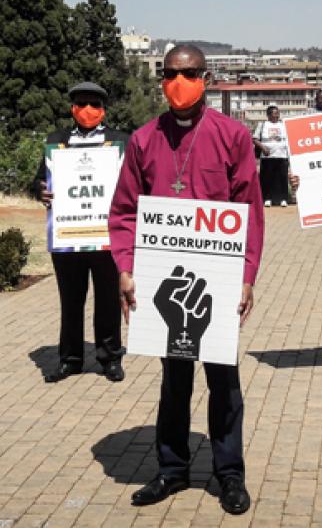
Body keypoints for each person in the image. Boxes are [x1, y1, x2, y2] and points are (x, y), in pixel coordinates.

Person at [109, 44, 264, 515]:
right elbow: (124, 211)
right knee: (174, 382)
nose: (180, 82)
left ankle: (229, 473)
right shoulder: (142, 139)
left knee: (224, 381)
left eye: (190, 73)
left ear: (206, 77)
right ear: (162, 79)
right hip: (164, 284)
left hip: (216, 281)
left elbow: (250, 210)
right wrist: (125, 267)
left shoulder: (232, 136)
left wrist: (246, 276)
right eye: (172, 73)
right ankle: (172, 469)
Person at [31, 81, 127, 383]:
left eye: (94, 105)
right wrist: (40, 191)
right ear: (73, 108)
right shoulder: (56, 142)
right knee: (71, 300)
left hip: (105, 236)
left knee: (109, 299)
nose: (88, 110)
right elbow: (38, 181)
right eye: (81, 104)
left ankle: (109, 357)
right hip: (68, 235)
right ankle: (70, 359)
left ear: (104, 109)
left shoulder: (120, 141)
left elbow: (135, 181)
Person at [252, 105, 289, 207]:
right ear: (268, 115)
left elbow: (288, 139)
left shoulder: (283, 125)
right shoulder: (263, 125)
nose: (277, 116)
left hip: (282, 155)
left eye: (278, 113)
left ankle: (283, 199)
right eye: (274, 113)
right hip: (267, 156)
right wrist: (263, 148)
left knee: (282, 178)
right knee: (267, 178)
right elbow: (254, 139)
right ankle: (267, 199)